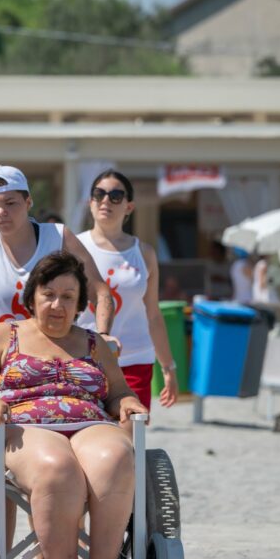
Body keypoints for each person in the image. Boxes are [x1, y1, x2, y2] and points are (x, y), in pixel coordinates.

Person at [0, 252, 148, 559]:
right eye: (49, 294)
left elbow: (118, 391)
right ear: (33, 295)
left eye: (67, 296)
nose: (56, 304)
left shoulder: (95, 343)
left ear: (80, 303)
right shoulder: (6, 334)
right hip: (16, 425)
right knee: (57, 465)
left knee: (116, 457)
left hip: (88, 422)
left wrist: (125, 402)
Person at [0, 165, 116, 361]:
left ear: (28, 202)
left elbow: (100, 291)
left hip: (50, 366)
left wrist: (104, 335)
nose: (1, 212)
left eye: (10, 203)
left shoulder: (59, 236)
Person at [77, 170, 179, 409]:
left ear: (129, 206)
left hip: (134, 360)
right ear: (90, 201)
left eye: (115, 195)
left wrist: (169, 368)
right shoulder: (74, 247)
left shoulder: (144, 253)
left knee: (131, 436)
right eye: (99, 194)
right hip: (83, 359)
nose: (105, 201)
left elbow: (152, 314)